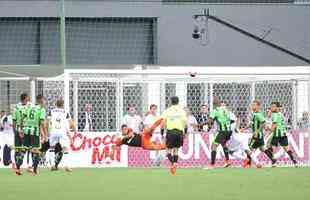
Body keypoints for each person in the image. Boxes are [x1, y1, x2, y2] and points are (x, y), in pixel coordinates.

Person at [241, 100, 276, 168]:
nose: (252, 106)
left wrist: (257, 131)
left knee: (248, 148)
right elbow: (251, 124)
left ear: (258, 106)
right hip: (258, 135)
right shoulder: (254, 114)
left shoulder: (258, 114)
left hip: (257, 135)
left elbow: (263, 123)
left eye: (254, 105)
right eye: (252, 105)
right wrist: (244, 129)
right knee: (262, 148)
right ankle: (273, 159)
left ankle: (248, 164)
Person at [161, 96, 187, 175]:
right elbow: (185, 123)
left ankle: (173, 164)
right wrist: (185, 132)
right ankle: (175, 163)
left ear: (170, 102)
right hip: (179, 132)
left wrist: (162, 133)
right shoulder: (182, 111)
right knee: (176, 150)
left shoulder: (167, 111)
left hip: (170, 132)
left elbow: (163, 123)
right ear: (178, 102)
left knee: (168, 151)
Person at [267, 102, 297, 166]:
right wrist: (270, 111)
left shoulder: (275, 114)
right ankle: (294, 161)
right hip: (283, 134)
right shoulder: (280, 114)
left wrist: (269, 130)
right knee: (286, 148)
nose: (272, 108)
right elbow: (270, 116)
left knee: (269, 147)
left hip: (277, 134)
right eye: (271, 106)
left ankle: (274, 162)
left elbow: (274, 124)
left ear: (277, 108)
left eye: (273, 107)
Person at [48, 99, 75, 172]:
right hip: (62, 132)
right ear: (63, 105)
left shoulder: (51, 111)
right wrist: (73, 129)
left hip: (53, 131)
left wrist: (48, 131)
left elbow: (48, 121)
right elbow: (71, 124)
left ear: (56, 104)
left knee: (52, 148)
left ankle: (52, 165)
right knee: (65, 148)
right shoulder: (66, 112)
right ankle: (66, 166)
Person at [23, 94, 46, 175]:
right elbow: (42, 123)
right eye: (44, 100)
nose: (44, 102)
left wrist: (22, 129)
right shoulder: (41, 109)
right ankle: (34, 170)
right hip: (34, 131)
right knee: (36, 150)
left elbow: (24, 117)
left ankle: (26, 166)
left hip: (26, 130)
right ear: (41, 100)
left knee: (27, 148)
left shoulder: (29, 107)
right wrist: (45, 134)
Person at [207, 98, 232, 168]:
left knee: (213, 146)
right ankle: (228, 161)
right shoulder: (225, 109)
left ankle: (212, 164)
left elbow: (210, 120)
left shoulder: (215, 110)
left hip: (222, 131)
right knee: (224, 144)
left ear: (214, 104)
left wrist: (209, 125)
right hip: (229, 131)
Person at [12, 93, 32, 175]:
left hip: (19, 130)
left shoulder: (16, 107)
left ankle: (20, 167)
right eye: (28, 97)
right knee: (23, 148)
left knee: (21, 149)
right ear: (25, 98)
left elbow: (14, 120)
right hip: (24, 130)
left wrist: (15, 131)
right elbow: (15, 120)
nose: (29, 98)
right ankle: (23, 167)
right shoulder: (28, 106)